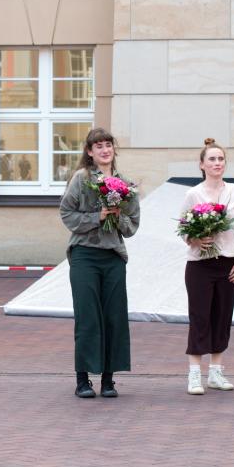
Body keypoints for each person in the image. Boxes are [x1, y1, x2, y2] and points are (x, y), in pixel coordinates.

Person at [59, 128, 140, 399]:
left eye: (108, 145)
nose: (104, 150)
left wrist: (116, 217)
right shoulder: (81, 179)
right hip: (84, 255)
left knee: (114, 317)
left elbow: (132, 227)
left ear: (113, 150)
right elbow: (66, 213)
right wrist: (98, 216)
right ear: (90, 152)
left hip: (113, 257)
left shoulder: (125, 185)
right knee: (87, 316)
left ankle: (108, 380)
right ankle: (83, 379)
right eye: (99, 146)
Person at [180, 138, 234, 395]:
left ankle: (217, 373)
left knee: (222, 317)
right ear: (202, 164)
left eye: (220, 159)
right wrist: (198, 238)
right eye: (212, 159)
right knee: (200, 317)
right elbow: (184, 230)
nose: (217, 163)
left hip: (228, 263)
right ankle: (194, 375)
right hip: (200, 264)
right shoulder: (193, 194)